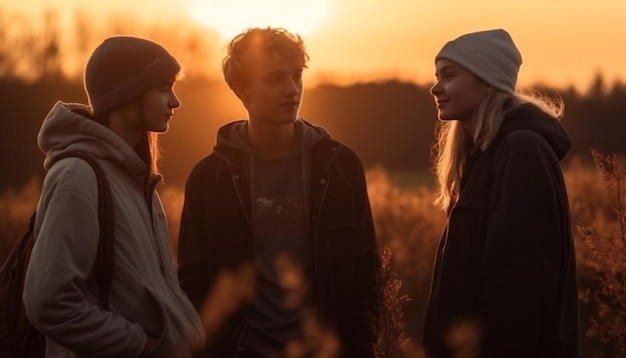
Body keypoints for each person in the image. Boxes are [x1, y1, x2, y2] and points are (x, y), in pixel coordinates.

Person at [177, 27, 381, 358]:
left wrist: (358, 348)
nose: (291, 90)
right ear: (242, 90)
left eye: (296, 76)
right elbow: (193, 282)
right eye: (274, 79)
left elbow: (366, 273)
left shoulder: (340, 167)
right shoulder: (209, 178)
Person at [23, 36, 205, 357]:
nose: (175, 102)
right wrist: (139, 345)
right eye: (163, 88)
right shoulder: (78, 176)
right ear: (126, 94)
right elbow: (48, 301)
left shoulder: (136, 180)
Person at [422, 29, 580, 357]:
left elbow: (520, 287)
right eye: (437, 76)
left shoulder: (522, 152)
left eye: (449, 75)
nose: (435, 87)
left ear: (486, 80)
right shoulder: (483, 158)